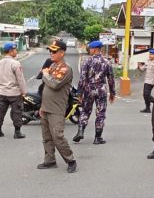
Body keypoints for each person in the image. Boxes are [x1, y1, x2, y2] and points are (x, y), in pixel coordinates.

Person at [37, 39, 77, 173]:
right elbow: (45, 88)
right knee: (46, 137)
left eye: (54, 51)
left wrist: (46, 74)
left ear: (62, 53)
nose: (51, 53)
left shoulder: (66, 69)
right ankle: (50, 160)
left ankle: (70, 160)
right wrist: (42, 107)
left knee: (57, 136)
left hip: (56, 109)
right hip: (46, 107)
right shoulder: (53, 66)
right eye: (50, 50)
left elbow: (54, 85)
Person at [73, 40, 115, 144]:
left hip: (89, 89)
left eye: (91, 48)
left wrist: (79, 93)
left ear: (94, 49)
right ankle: (98, 138)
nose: (89, 50)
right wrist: (112, 93)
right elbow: (111, 79)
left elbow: (82, 78)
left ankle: (80, 131)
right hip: (101, 89)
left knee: (85, 111)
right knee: (100, 113)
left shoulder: (87, 61)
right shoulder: (107, 62)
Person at [0, 42, 27, 139]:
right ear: (10, 51)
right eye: (15, 50)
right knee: (17, 111)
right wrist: (23, 91)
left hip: (3, 92)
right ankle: (17, 132)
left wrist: (0, 90)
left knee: (0, 111)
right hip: (14, 93)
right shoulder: (15, 63)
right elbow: (20, 79)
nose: (16, 52)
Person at [138, 48, 154, 113]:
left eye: (152, 54)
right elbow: (142, 69)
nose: (150, 55)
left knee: (146, 94)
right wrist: (139, 66)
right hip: (146, 80)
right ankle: (147, 108)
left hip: (152, 81)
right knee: (145, 95)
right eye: (150, 54)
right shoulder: (147, 62)